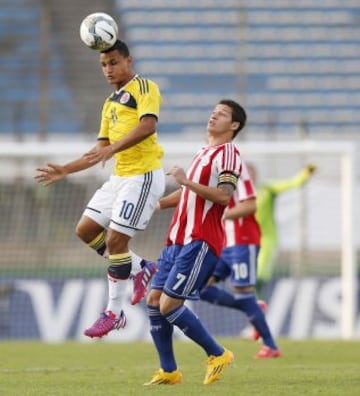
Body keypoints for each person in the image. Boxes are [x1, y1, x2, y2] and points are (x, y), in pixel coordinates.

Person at [34, 39, 165, 338]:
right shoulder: (109, 103)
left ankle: (113, 314)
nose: (108, 69)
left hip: (142, 176)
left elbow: (148, 126)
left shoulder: (144, 88)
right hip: (119, 178)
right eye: (104, 65)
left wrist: (112, 149)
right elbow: (99, 151)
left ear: (129, 61)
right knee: (85, 230)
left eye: (114, 62)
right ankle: (142, 267)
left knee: (117, 241)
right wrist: (66, 169)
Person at [144, 99, 246, 386]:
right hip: (176, 239)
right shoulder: (203, 152)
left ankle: (218, 353)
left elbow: (224, 196)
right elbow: (190, 194)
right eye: (213, 111)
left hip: (200, 241)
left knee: (168, 305)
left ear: (234, 125)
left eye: (222, 114)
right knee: (153, 301)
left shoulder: (229, 155)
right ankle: (169, 371)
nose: (214, 115)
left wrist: (186, 181)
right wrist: (159, 205)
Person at [200, 161, 281, 358]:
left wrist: (222, 214)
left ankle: (270, 345)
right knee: (201, 286)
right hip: (225, 245)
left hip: (244, 243)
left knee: (242, 291)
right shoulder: (222, 186)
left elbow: (250, 208)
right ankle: (253, 306)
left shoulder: (250, 190)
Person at [248, 164, 317, 298]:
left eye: (251, 174)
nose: (249, 177)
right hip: (246, 240)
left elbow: (290, 183)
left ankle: (259, 299)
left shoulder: (267, 188)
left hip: (266, 238)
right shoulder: (236, 194)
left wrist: (305, 174)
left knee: (260, 272)